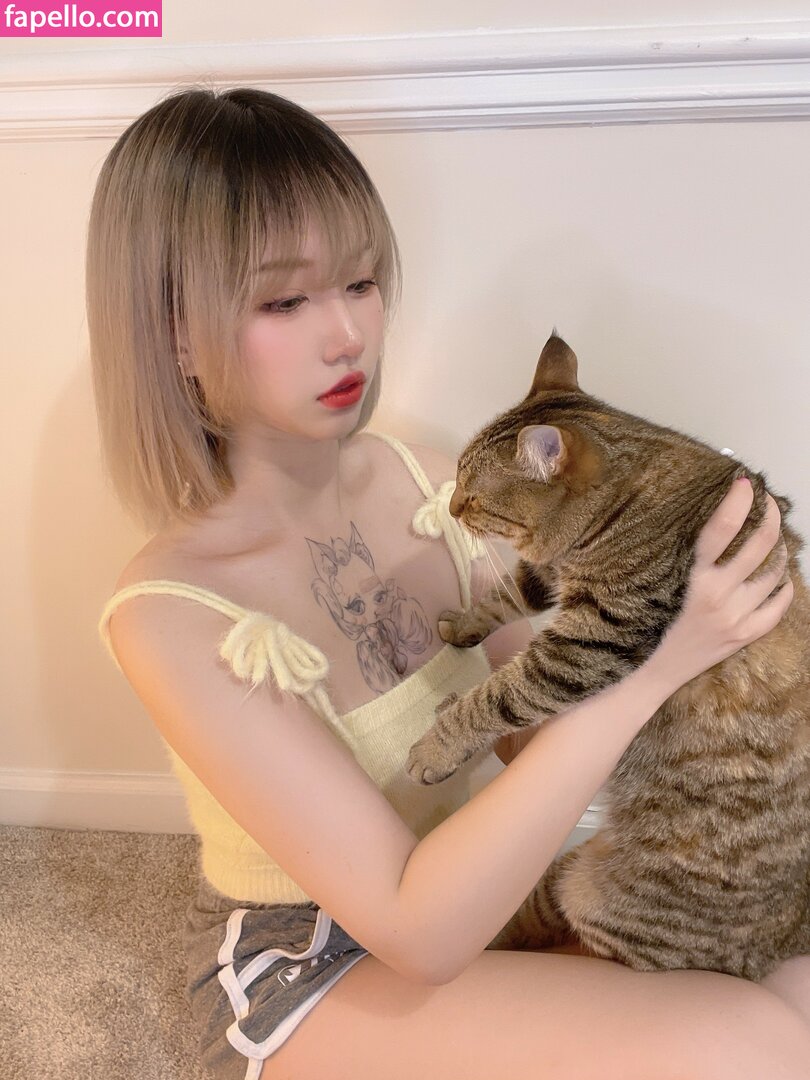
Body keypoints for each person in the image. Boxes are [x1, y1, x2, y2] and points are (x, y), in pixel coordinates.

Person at [89, 86, 810, 1080]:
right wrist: (655, 665)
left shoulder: (424, 479)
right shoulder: (169, 615)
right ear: (174, 331)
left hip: (475, 890)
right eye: (284, 301)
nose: (347, 334)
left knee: (793, 979)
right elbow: (418, 933)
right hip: (318, 962)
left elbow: (533, 737)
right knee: (755, 1044)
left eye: (360, 282)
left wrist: (677, 590)